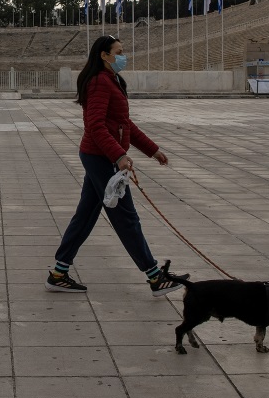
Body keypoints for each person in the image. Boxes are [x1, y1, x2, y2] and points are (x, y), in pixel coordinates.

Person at [46, 34, 189, 297]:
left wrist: (152, 149)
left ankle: (59, 272)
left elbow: (125, 124)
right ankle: (155, 277)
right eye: (119, 52)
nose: (123, 56)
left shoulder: (112, 80)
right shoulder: (100, 82)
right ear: (104, 55)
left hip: (99, 156)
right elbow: (96, 126)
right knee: (126, 217)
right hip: (101, 158)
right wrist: (118, 156)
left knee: (86, 216)